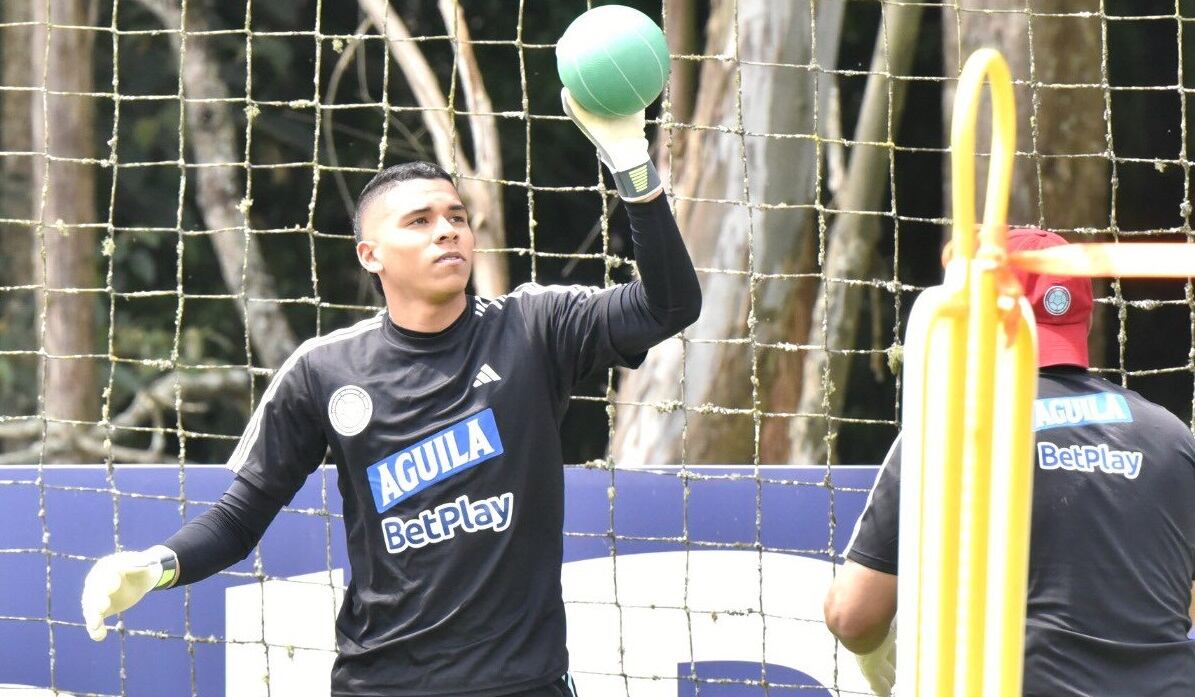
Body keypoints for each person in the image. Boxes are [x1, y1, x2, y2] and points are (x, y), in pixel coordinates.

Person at [80, 89, 701, 697]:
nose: (447, 231)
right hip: (381, 683)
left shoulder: (535, 326)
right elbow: (240, 519)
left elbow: (669, 305)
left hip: (524, 683)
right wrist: (154, 566)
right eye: (420, 221)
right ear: (371, 254)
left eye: (456, 217)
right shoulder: (322, 370)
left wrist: (630, 161)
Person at [823, 228, 1195, 697]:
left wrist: (893, 674)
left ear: (980, 317)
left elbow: (852, 615)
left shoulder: (953, 423)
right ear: (1084, 323)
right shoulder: (1172, 436)